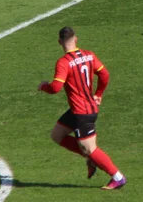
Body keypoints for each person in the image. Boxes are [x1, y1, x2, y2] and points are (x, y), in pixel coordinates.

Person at [38, 26, 127, 191]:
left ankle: (118, 177)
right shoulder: (89, 55)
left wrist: (44, 86)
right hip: (79, 109)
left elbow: (56, 87)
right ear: (76, 39)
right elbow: (105, 74)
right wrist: (98, 93)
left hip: (83, 113)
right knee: (57, 135)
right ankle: (90, 158)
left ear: (59, 42)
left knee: (90, 148)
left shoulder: (64, 62)